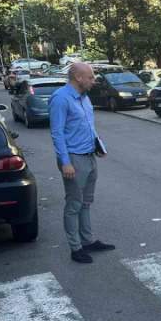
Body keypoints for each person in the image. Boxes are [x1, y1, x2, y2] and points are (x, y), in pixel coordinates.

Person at [49, 62, 114, 264]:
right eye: (91, 77)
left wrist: (99, 145)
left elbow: (89, 126)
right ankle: (75, 248)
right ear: (78, 78)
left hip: (89, 155)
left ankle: (87, 241)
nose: (93, 81)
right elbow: (57, 133)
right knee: (74, 204)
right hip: (74, 159)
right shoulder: (61, 98)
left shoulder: (84, 98)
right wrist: (65, 162)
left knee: (86, 202)